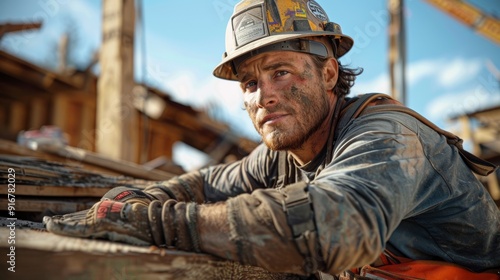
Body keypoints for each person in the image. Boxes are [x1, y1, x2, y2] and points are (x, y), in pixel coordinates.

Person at [44, 0, 500, 278]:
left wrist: (155, 222)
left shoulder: (387, 137)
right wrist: (133, 200)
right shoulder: (287, 152)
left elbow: (333, 227)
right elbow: (205, 185)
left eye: (280, 72)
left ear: (327, 72)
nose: (264, 96)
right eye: (249, 83)